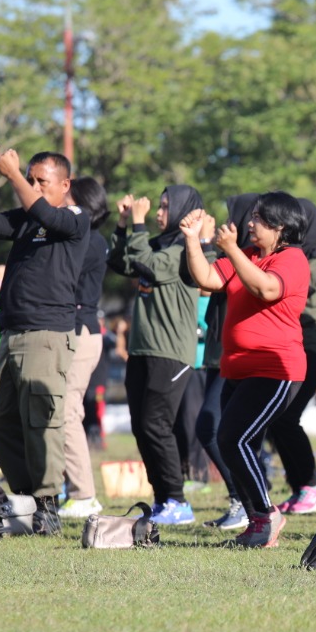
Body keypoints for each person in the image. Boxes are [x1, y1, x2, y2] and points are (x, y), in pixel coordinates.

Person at [0, 147, 90, 536]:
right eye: (29, 179)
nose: (32, 186)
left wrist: (14, 175)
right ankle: (27, 496)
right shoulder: (27, 220)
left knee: (41, 420)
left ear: (65, 185)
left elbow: (47, 215)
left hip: (47, 333)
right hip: (12, 330)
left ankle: (48, 503)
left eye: (40, 181)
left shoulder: (74, 219)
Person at [180, 193, 310, 547]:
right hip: (237, 368)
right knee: (233, 441)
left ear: (280, 227)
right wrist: (193, 242)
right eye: (252, 216)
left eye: (259, 218)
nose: (250, 223)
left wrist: (233, 250)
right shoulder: (248, 255)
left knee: (232, 439)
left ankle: (267, 514)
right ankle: (257, 520)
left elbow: (266, 289)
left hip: (276, 369)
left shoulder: (292, 259)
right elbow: (207, 279)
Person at [107, 185, 205, 526]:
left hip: (171, 353)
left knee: (156, 425)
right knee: (141, 427)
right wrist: (122, 224)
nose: (159, 212)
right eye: (159, 206)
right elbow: (122, 262)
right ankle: (163, 499)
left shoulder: (182, 250)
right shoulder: (158, 245)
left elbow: (147, 265)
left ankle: (177, 500)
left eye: (165, 207)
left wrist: (138, 224)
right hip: (142, 350)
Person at [196, 194, 258, 532]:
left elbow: (212, 283)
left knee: (212, 427)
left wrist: (207, 244)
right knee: (213, 428)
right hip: (216, 351)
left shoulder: (250, 257)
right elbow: (200, 280)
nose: (232, 223)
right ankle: (244, 501)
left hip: (232, 354)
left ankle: (247, 502)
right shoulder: (229, 253)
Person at [268, 198, 316, 516]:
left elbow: (303, 309)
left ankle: (312, 484)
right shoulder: (294, 259)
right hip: (293, 347)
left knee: (287, 417)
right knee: (279, 419)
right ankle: (300, 487)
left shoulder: (315, 264)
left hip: (312, 348)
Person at [58, 176, 109, 518]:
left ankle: (83, 494)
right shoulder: (86, 237)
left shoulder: (88, 240)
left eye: (66, 195)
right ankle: (69, 490)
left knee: (67, 411)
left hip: (81, 332)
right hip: (76, 331)